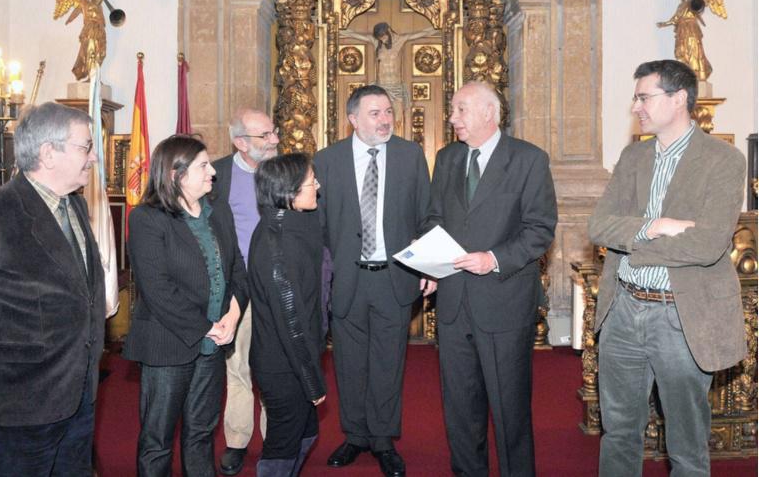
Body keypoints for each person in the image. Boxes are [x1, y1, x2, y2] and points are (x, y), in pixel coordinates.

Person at [588, 59, 746, 476]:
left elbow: (709, 243)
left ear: (678, 99)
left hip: (682, 316)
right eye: (636, 96)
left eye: (644, 96)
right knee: (618, 434)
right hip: (623, 312)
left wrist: (635, 245)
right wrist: (656, 227)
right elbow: (599, 225)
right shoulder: (633, 156)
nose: (635, 106)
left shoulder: (723, 159)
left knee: (686, 444)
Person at [0, 102, 106, 475]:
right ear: (48, 152)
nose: (93, 159)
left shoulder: (73, 205)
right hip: (13, 412)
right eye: (85, 147)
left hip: (76, 397)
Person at [425, 81, 557, 477]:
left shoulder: (529, 159)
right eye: (452, 110)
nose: (452, 119)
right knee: (460, 410)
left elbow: (540, 229)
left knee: (509, 408)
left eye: (460, 110)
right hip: (453, 302)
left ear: (488, 112)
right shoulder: (447, 158)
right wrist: (429, 266)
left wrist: (494, 258)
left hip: (504, 301)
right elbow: (435, 218)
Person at [313, 84, 433, 477]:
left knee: (387, 362)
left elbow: (426, 217)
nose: (385, 120)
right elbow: (318, 225)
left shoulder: (410, 155)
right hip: (347, 279)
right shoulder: (326, 160)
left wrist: (429, 264)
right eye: (375, 113)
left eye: (387, 112)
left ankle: (383, 440)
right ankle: (355, 435)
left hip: (394, 278)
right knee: (348, 363)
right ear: (353, 119)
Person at [123, 135, 248, 476]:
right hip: (168, 344)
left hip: (214, 343)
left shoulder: (218, 210)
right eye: (203, 166)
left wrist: (232, 319)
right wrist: (208, 326)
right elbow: (157, 289)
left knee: (202, 434)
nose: (213, 173)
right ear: (176, 174)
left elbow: (237, 268)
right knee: (158, 439)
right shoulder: (147, 219)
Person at [249, 153, 326, 476]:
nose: (318, 186)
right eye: (311, 182)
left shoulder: (293, 224)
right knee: (283, 444)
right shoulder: (279, 244)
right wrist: (313, 382)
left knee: (306, 433)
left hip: (292, 357)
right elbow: (291, 322)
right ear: (290, 191)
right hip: (284, 366)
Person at [212, 109, 278, 475]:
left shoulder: (283, 172)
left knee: (273, 368)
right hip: (237, 288)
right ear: (240, 142)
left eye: (273, 132)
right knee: (237, 369)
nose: (274, 141)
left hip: (276, 287)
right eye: (264, 135)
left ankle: (274, 441)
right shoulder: (216, 174)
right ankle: (237, 441)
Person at [341, 23, 437, 133]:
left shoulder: (400, 40)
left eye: (384, 36)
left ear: (389, 31)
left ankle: (395, 145)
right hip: (382, 87)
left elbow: (423, 33)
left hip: (396, 88)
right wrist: (337, 28)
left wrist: (440, 26)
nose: (383, 39)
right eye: (380, 38)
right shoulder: (377, 42)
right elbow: (354, 34)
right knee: (378, 118)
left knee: (397, 120)